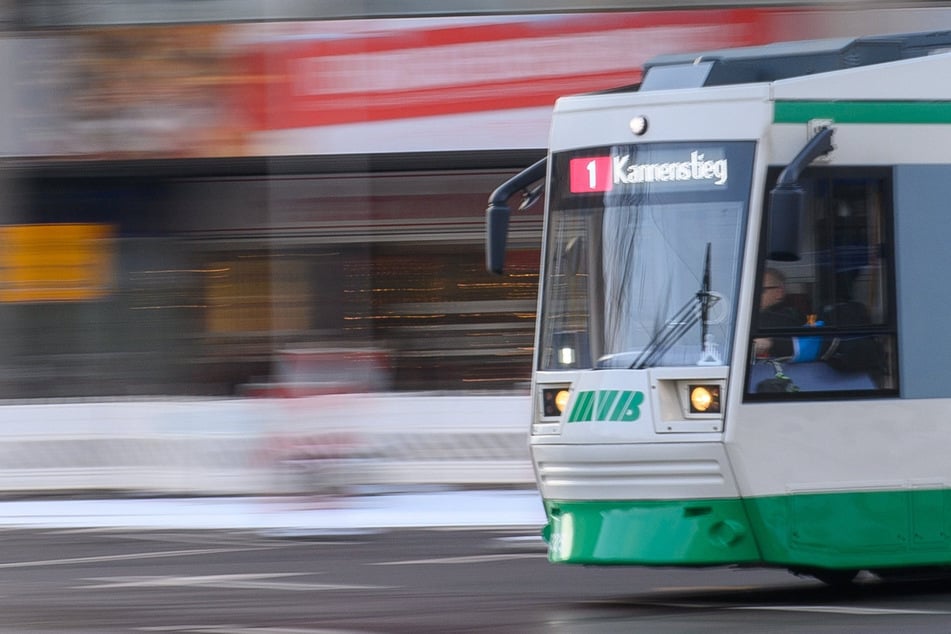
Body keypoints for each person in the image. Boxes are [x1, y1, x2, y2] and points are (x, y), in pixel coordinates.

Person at [754, 268, 806, 359]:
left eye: (760, 290)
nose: (753, 294)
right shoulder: (743, 316)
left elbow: (802, 345)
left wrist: (771, 343)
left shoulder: (788, 320)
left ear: (779, 292)